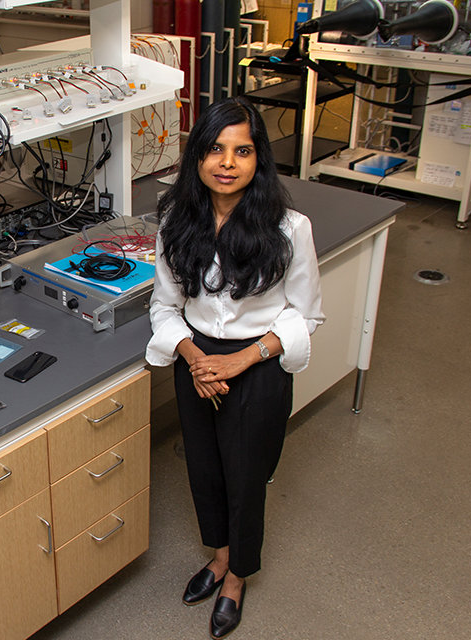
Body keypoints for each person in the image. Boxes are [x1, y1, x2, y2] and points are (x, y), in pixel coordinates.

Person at [146, 97, 324, 638]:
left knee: (247, 479)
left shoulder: (290, 229)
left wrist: (241, 360)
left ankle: (237, 577)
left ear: (258, 159)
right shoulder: (177, 220)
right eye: (215, 149)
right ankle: (219, 556)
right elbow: (164, 306)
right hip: (197, 362)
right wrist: (197, 358)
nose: (227, 162)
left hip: (260, 365)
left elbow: (306, 314)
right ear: (197, 157)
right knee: (203, 470)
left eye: (242, 151)